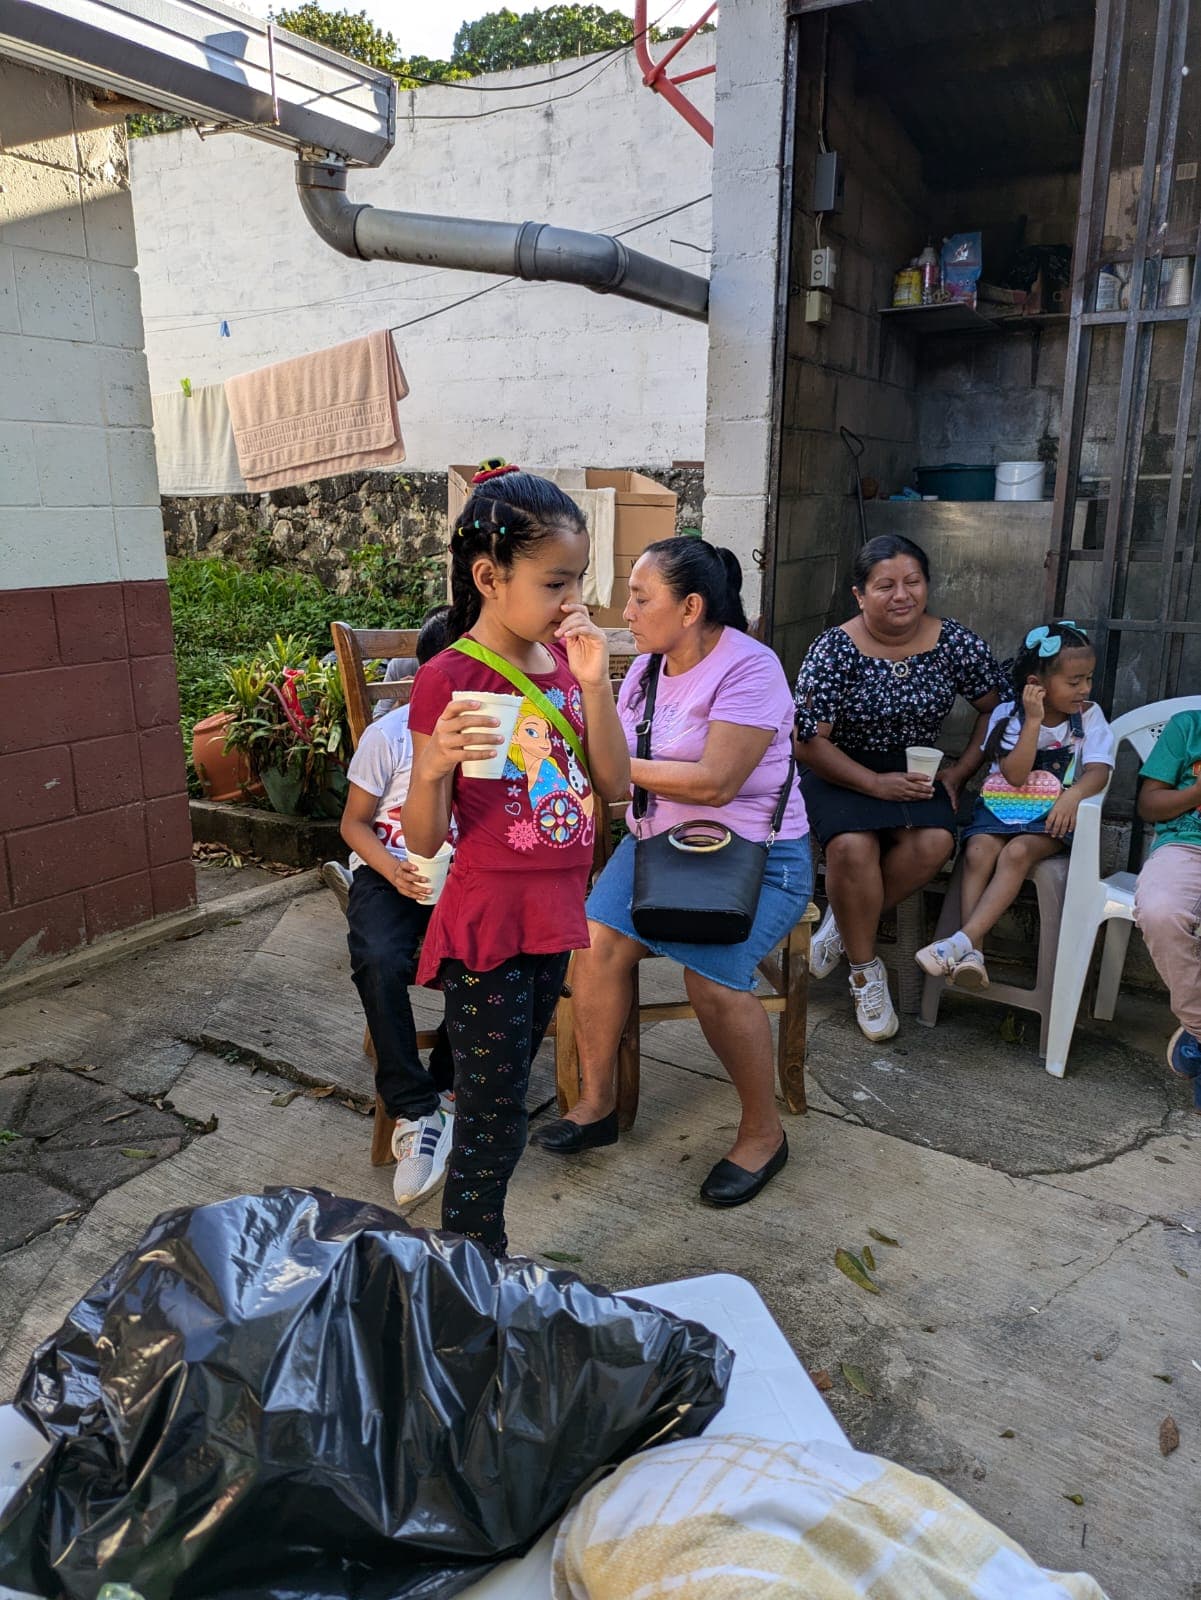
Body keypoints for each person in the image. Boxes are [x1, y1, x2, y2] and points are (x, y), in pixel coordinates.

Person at [532, 536, 812, 1210]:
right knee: (594, 944)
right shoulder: (644, 671)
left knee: (710, 979)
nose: (624, 610)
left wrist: (610, 771)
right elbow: (604, 748)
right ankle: (597, 1104)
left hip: (754, 855)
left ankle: (762, 1132)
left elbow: (715, 783)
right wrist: (580, 676)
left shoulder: (752, 668)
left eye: (639, 596)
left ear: (690, 607)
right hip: (657, 848)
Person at [403, 468, 629, 1257]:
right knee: (494, 1110)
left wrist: (597, 688)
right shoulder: (448, 677)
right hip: (488, 922)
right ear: (489, 577)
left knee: (506, 1093)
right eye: (556, 582)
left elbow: (615, 786)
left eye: (580, 583)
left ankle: (471, 1259)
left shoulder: (566, 667)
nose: (574, 603)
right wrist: (433, 769)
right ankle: (472, 1262)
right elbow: (424, 839)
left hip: (554, 914)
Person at [793, 534, 1006, 1041]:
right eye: (884, 585)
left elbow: (996, 707)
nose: (901, 594)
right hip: (840, 769)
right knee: (850, 846)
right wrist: (872, 783)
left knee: (936, 841)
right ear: (859, 595)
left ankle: (842, 927)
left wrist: (961, 771)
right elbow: (806, 743)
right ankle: (866, 973)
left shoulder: (953, 641)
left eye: (912, 582)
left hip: (916, 770)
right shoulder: (834, 648)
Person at [916, 621, 1114, 987]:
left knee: (1017, 853)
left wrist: (1072, 796)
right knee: (977, 851)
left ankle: (961, 941)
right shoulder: (1007, 714)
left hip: (1051, 821)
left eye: (1088, 678)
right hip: (1000, 810)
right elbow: (1017, 776)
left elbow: (1099, 772)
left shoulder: (1089, 716)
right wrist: (1034, 723)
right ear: (1036, 686)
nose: (1084, 688)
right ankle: (973, 952)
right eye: (1074, 682)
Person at [337, 604, 456, 1206]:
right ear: (424, 677)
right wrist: (393, 869)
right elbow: (354, 824)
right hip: (390, 871)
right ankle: (416, 1109)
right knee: (379, 955)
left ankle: (452, 1086)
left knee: (492, 951)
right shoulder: (388, 735)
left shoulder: (503, 738)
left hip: (465, 878)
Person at [1134, 704, 1201, 1096]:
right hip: (1186, 847)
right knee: (1160, 912)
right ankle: (1198, 1028)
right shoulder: (1188, 727)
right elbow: (1148, 805)